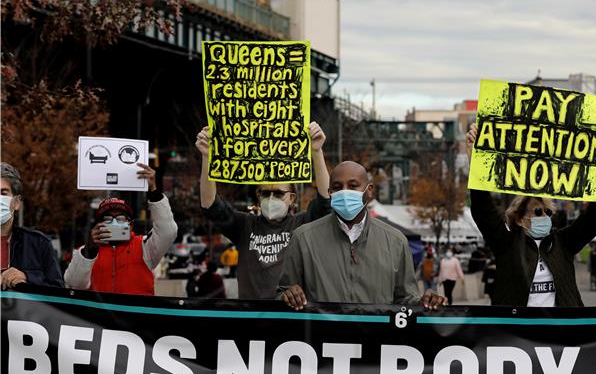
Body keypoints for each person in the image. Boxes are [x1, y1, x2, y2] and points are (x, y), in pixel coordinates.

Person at [466, 123, 596, 307]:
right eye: (538, 212)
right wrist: (475, 162)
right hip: (518, 332)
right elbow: (484, 211)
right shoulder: (506, 244)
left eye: (548, 212)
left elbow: (593, 220)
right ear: (520, 218)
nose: (545, 217)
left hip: (561, 330)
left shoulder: (563, 243)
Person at [278, 161, 448, 310]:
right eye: (337, 187)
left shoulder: (395, 242)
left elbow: (405, 300)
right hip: (323, 342)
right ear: (330, 193)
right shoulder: (303, 239)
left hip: (374, 343)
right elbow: (282, 294)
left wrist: (426, 302)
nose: (344, 192)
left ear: (369, 191)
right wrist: (288, 295)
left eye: (353, 186)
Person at [196, 122, 331, 299]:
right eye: (265, 193)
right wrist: (207, 157)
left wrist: (316, 152)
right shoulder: (244, 225)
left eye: (278, 193)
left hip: (289, 317)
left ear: (292, 198)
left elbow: (325, 201)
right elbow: (210, 205)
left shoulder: (302, 224)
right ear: (258, 197)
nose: (271, 198)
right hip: (251, 317)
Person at [64, 163, 178, 295]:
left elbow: (168, 232)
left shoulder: (144, 247)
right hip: (100, 315)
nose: (114, 223)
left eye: (120, 219)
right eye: (107, 219)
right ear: (98, 225)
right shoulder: (86, 252)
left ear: (130, 225)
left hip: (136, 314)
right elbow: (74, 284)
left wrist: (154, 192)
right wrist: (90, 250)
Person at [0, 162, 63, 289]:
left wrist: (27, 278)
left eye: (3, 193)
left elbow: (57, 292)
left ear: (17, 202)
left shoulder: (39, 243)